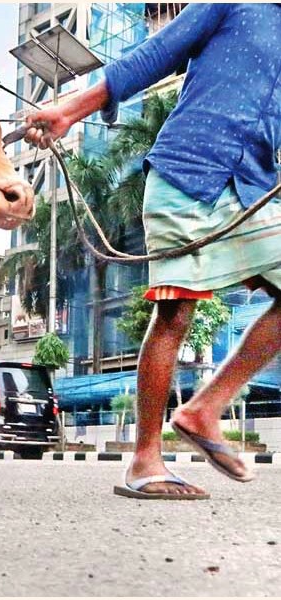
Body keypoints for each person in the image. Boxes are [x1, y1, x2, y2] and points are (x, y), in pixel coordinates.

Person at [23, 4, 281, 499]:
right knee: (174, 312)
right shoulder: (234, 3)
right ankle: (144, 461)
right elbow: (154, 55)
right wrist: (68, 110)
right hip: (187, 172)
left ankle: (204, 410)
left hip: (252, 188)